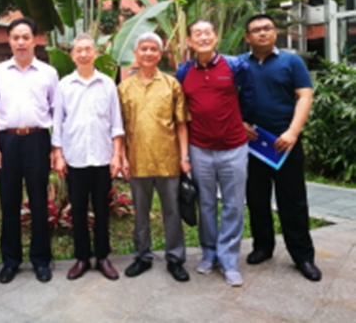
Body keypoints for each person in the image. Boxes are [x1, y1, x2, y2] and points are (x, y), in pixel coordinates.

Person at [240, 14, 321, 282]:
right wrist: (239, 122)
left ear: (275, 33)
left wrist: (292, 132)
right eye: (256, 30)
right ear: (247, 37)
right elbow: (227, 98)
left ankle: (303, 256)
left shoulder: (291, 61)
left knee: (293, 201)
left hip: (286, 144)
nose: (262, 33)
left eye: (267, 28)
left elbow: (305, 95)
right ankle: (263, 247)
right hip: (253, 146)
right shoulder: (239, 64)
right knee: (256, 199)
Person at [176, 19, 254, 287]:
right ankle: (209, 253)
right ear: (189, 41)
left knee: (233, 204)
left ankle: (229, 259)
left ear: (215, 37)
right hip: (200, 149)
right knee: (206, 204)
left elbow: (249, 94)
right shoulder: (184, 72)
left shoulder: (235, 66)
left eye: (207, 32)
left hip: (234, 147)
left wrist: (245, 119)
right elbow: (181, 108)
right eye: (197, 33)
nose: (203, 37)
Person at [0, 17, 58, 284]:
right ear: (9, 41)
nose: (21, 42)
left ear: (35, 40)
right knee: (9, 203)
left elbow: (56, 113)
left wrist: (55, 148)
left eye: (26, 37)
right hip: (8, 142)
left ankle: (41, 260)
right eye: (15, 37)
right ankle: (11, 261)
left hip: (38, 140)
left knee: (39, 202)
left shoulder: (48, 73)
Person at [118, 32, 191, 283]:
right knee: (141, 212)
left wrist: (184, 157)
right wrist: (122, 157)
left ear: (160, 54)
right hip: (137, 159)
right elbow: (119, 128)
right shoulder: (124, 88)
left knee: (172, 211)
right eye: (144, 48)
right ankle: (142, 256)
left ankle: (175, 258)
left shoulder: (171, 84)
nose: (148, 53)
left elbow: (181, 124)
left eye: (153, 49)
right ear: (135, 54)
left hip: (168, 159)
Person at [52, 34, 124, 281]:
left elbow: (116, 123)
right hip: (75, 157)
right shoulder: (64, 86)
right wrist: (58, 155)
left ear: (95, 53)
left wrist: (117, 155)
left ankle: (103, 257)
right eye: (78, 50)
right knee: (78, 209)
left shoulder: (107, 84)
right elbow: (57, 123)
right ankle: (82, 258)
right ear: (72, 55)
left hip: (102, 157)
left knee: (102, 210)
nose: (83, 54)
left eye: (87, 50)